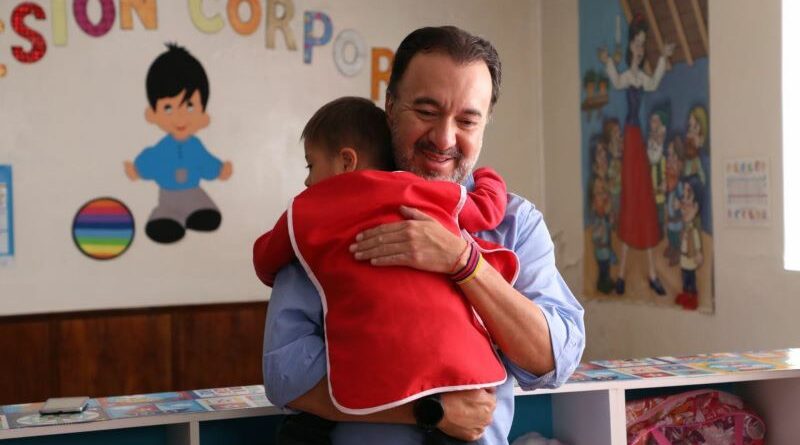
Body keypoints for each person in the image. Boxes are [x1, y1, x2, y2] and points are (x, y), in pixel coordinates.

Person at [263, 26, 585, 445]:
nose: (444, 138)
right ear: (391, 107)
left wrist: (464, 263)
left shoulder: (514, 224)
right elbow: (286, 373)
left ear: (484, 124)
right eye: (427, 112)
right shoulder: (331, 215)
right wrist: (431, 411)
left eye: (466, 120)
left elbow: (554, 361)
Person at [256, 96, 516, 445]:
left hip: (369, 374)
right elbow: (487, 210)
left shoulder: (309, 209)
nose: (307, 182)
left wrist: (274, 267)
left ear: (346, 162)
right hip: (461, 370)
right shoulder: (424, 194)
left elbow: (265, 255)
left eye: (311, 165)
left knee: (301, 430)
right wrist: (487, 178)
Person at [124, 43, 233, 244]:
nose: (180, 116)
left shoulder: (196, 147)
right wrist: (137, 169)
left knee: (204, 208)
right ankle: (167, 221)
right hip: (169, 194)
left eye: (190, 105)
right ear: (152, 114)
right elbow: (150, 159)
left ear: (203, 113)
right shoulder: (162, 149)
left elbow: (206, 162)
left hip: (194, 193)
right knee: (166, 211)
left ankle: (198, 214)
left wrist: (219, 170)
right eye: (168, 108)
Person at [599, 13, 674, 296]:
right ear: (631, 44)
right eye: (638, 43)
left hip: (637, 140)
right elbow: (617, 80)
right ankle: (621, 275)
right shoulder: (628, 76)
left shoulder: (641, 77)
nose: (640, 49)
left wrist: (664, 58)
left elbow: (653, 82)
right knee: (631, 202)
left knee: (643, 202)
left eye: (644, 44)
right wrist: (607, 61)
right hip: (631, 140)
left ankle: (652, 273)